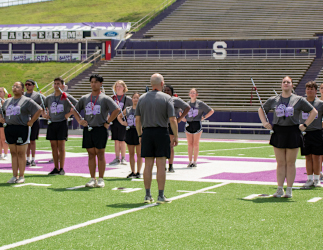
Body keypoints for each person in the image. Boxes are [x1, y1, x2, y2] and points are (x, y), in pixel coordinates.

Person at [259, 76, 317, 198]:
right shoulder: (274, 99)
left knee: (290, 163)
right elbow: (261, 109)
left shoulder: (298, 99)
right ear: (281, 85)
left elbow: (314, 112)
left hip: (293, 132)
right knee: (280, 163)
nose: (286, 84)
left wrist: (305, 125)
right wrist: (265, 123)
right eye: (284, 82)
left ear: (292, 85)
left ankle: (289, 189)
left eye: (288, 82)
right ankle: (279, 189)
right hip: (278, 131)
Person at [135, 73, 178, 204]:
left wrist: (140, 135)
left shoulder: (142, 98)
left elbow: (137, 120)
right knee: (161, 165)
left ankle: (147, 195)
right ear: (161, 83)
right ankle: (161, 195)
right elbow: (172, 119)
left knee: (148, 165)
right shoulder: (167, 98)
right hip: (161, 132)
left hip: (147, 132)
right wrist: (175, 135)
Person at [74, 74, 120, 187]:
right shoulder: (85, 98)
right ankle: (92, 178)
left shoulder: (105, 98)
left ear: (100, 84)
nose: (93, 84)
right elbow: (74, 110)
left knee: (100, 153)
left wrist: (108, 122)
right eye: (91, 82)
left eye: (95, 82)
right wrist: (80, 120)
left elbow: (116, 109)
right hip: (88, 129)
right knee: (90, 154)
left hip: (100, 129)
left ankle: (101, 179)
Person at [0, 81, 42, 183]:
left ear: (22, 89)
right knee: (13, 153)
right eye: (13, 86)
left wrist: (31, 121)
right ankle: (14, 175)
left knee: (21, 153)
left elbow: (39, 109)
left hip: (22, 128)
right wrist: (1, 119)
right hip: (10, 128)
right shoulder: (7, 101)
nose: (15, 88)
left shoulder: (26, 100)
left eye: (17, 87)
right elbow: (1, 111)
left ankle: (21, 176)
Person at [43, 77, 77, 175]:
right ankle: (55, 167)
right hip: (52, 123)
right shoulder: (49, 98)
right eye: (55, 84)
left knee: (61, 146)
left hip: (62, 123)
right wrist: (45, 114)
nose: (56, 86)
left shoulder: (66, 96)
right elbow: (42, 107)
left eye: (58, 84)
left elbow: (78, 105)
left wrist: (69, 114)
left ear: (62, 85)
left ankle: (61, 168)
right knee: (53, 146)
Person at [182, 88, 214, 168]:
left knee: (195, 144)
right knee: (189, 144)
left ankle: (195, 161)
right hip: (189, 123)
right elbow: (180, 110)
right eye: (191, 93)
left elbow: (211, 110)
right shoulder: (186, 104)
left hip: (197, 123)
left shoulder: (200, 103)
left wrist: (204, 117)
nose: (192, 94)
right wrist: (182, 118)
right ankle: (189, 161)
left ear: (197, 94)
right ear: (189, 94)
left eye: (194, 93)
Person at [301, 81, 323, 187]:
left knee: (317, 157)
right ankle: (309, 179)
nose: (310, 91)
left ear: (315, 91)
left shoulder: (320, 104)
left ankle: (317, 179)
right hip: (305, 133)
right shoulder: (302, 103)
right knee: (308, 157)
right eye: (308, 89)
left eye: (312, 89)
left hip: (317, 132)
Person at [163, 85, 190, 172]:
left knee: (170, 146)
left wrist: (180, 118)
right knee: (161, 146)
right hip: (162, 124)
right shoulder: (161, 99)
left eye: (168, 90)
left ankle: (170, 166)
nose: (166, 92)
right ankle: (162, 165)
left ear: (172, 92)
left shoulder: (175, 100)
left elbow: (187, 107)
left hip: (171, 124)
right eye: (165, 90)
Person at [117, 92, 142, 178]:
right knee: (131, 153)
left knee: (139, 154)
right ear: (132, 99)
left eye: (137, 98)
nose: (135, 99)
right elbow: (119, 117)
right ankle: (132, 171)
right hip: (130, 131)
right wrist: (123, 123)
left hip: (138, 132)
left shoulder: (142, 109)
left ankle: (138, 172)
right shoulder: (128, 109)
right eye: (134, 97)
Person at [109, 80, 132, 165]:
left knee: (122, 140)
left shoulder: (127, 99)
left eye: (120, 86)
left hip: (123, 121)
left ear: (124, 88)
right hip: (114, 121)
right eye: (117, 86)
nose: (118, 88)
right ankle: (117, 158)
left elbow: (131, 109)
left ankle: (123, 158)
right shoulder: (112, 98)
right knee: (116, 140)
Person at [24, 79, 46, 166]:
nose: (27, 86)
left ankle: (33, 159)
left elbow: (45, 103)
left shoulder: (38, 96)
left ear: (33, 86)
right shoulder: (23, 95)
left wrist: (43, 112)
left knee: (32, 140)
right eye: (26, 84)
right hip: (25, 120)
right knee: (26, 141)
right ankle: (27, 159)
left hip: (34, 120)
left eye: (29, 84)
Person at [0, 87, 9, 160]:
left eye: (1, 91)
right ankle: (0, 154)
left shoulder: (6, 101)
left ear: (4, 93)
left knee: (3, 138)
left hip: (4, 121)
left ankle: (6, 153)